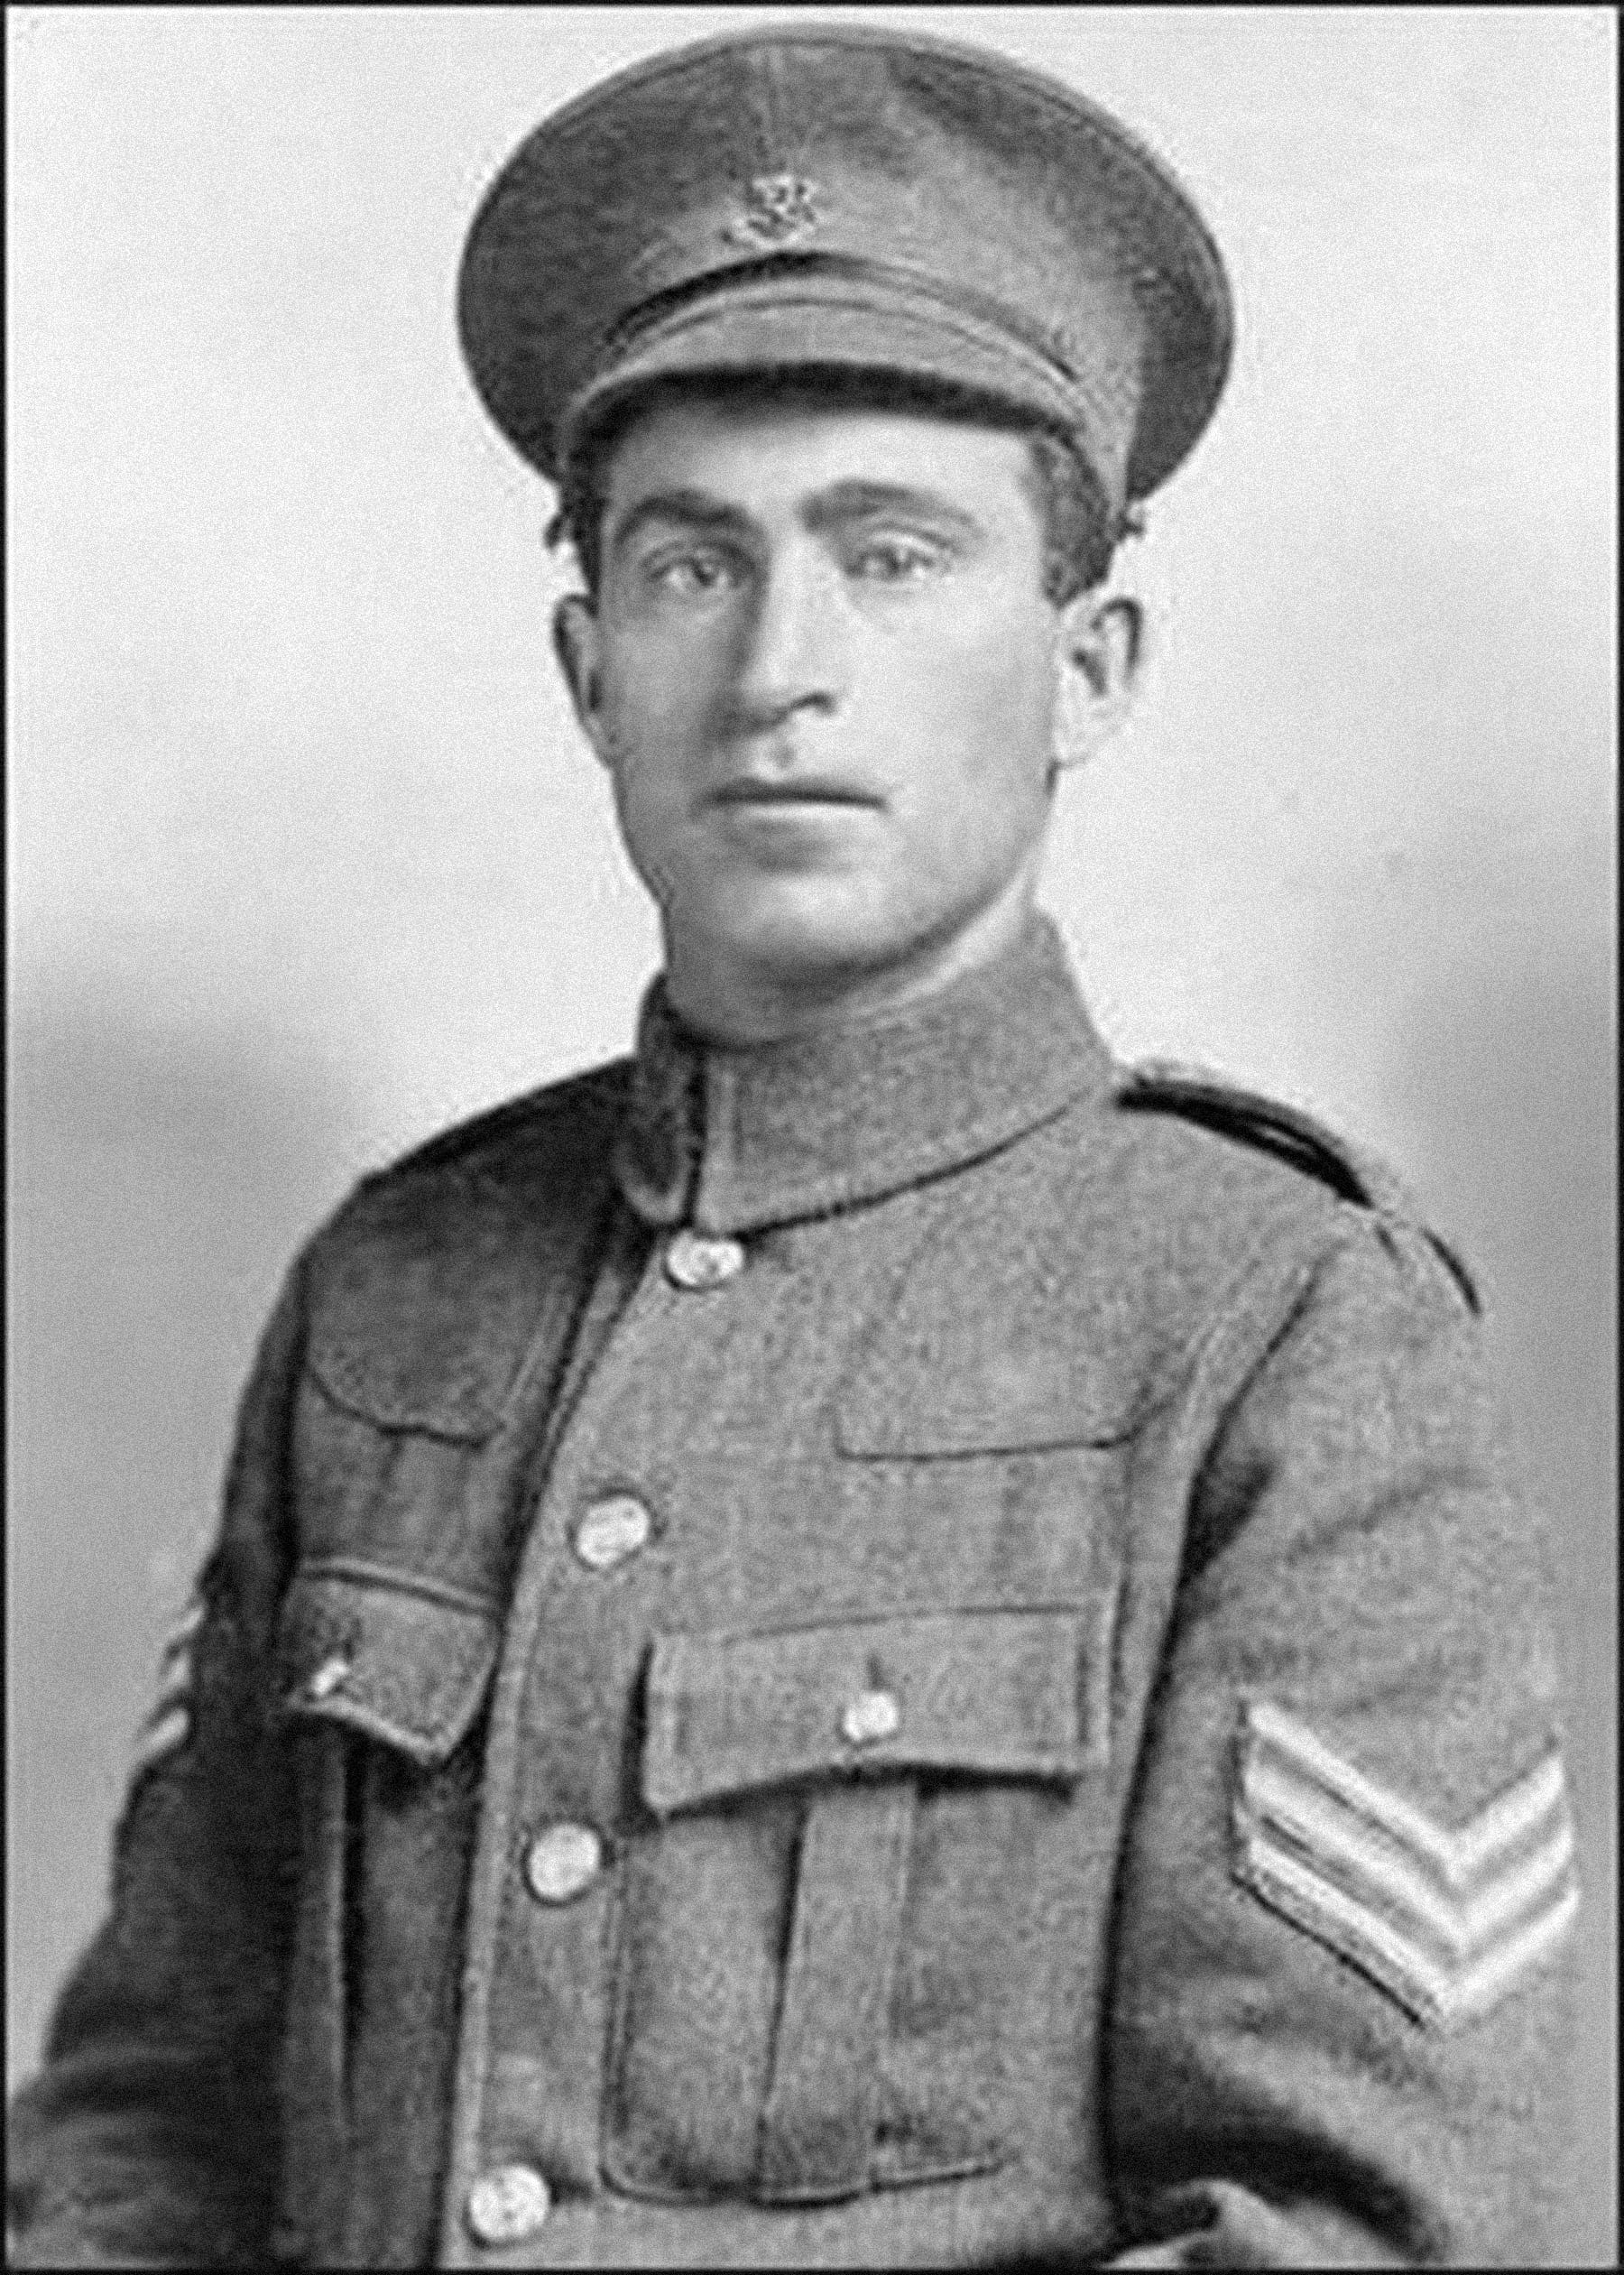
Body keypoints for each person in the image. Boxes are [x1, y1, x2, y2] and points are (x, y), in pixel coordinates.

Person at [7, 24, 1577, 2269]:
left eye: (897, 552)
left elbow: (1368, 2227)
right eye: (690, 568)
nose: (780, 671)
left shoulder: (1276, 1331)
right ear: (584, 671)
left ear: (1093, 667)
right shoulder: (395, 1296)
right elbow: (146, 2132)